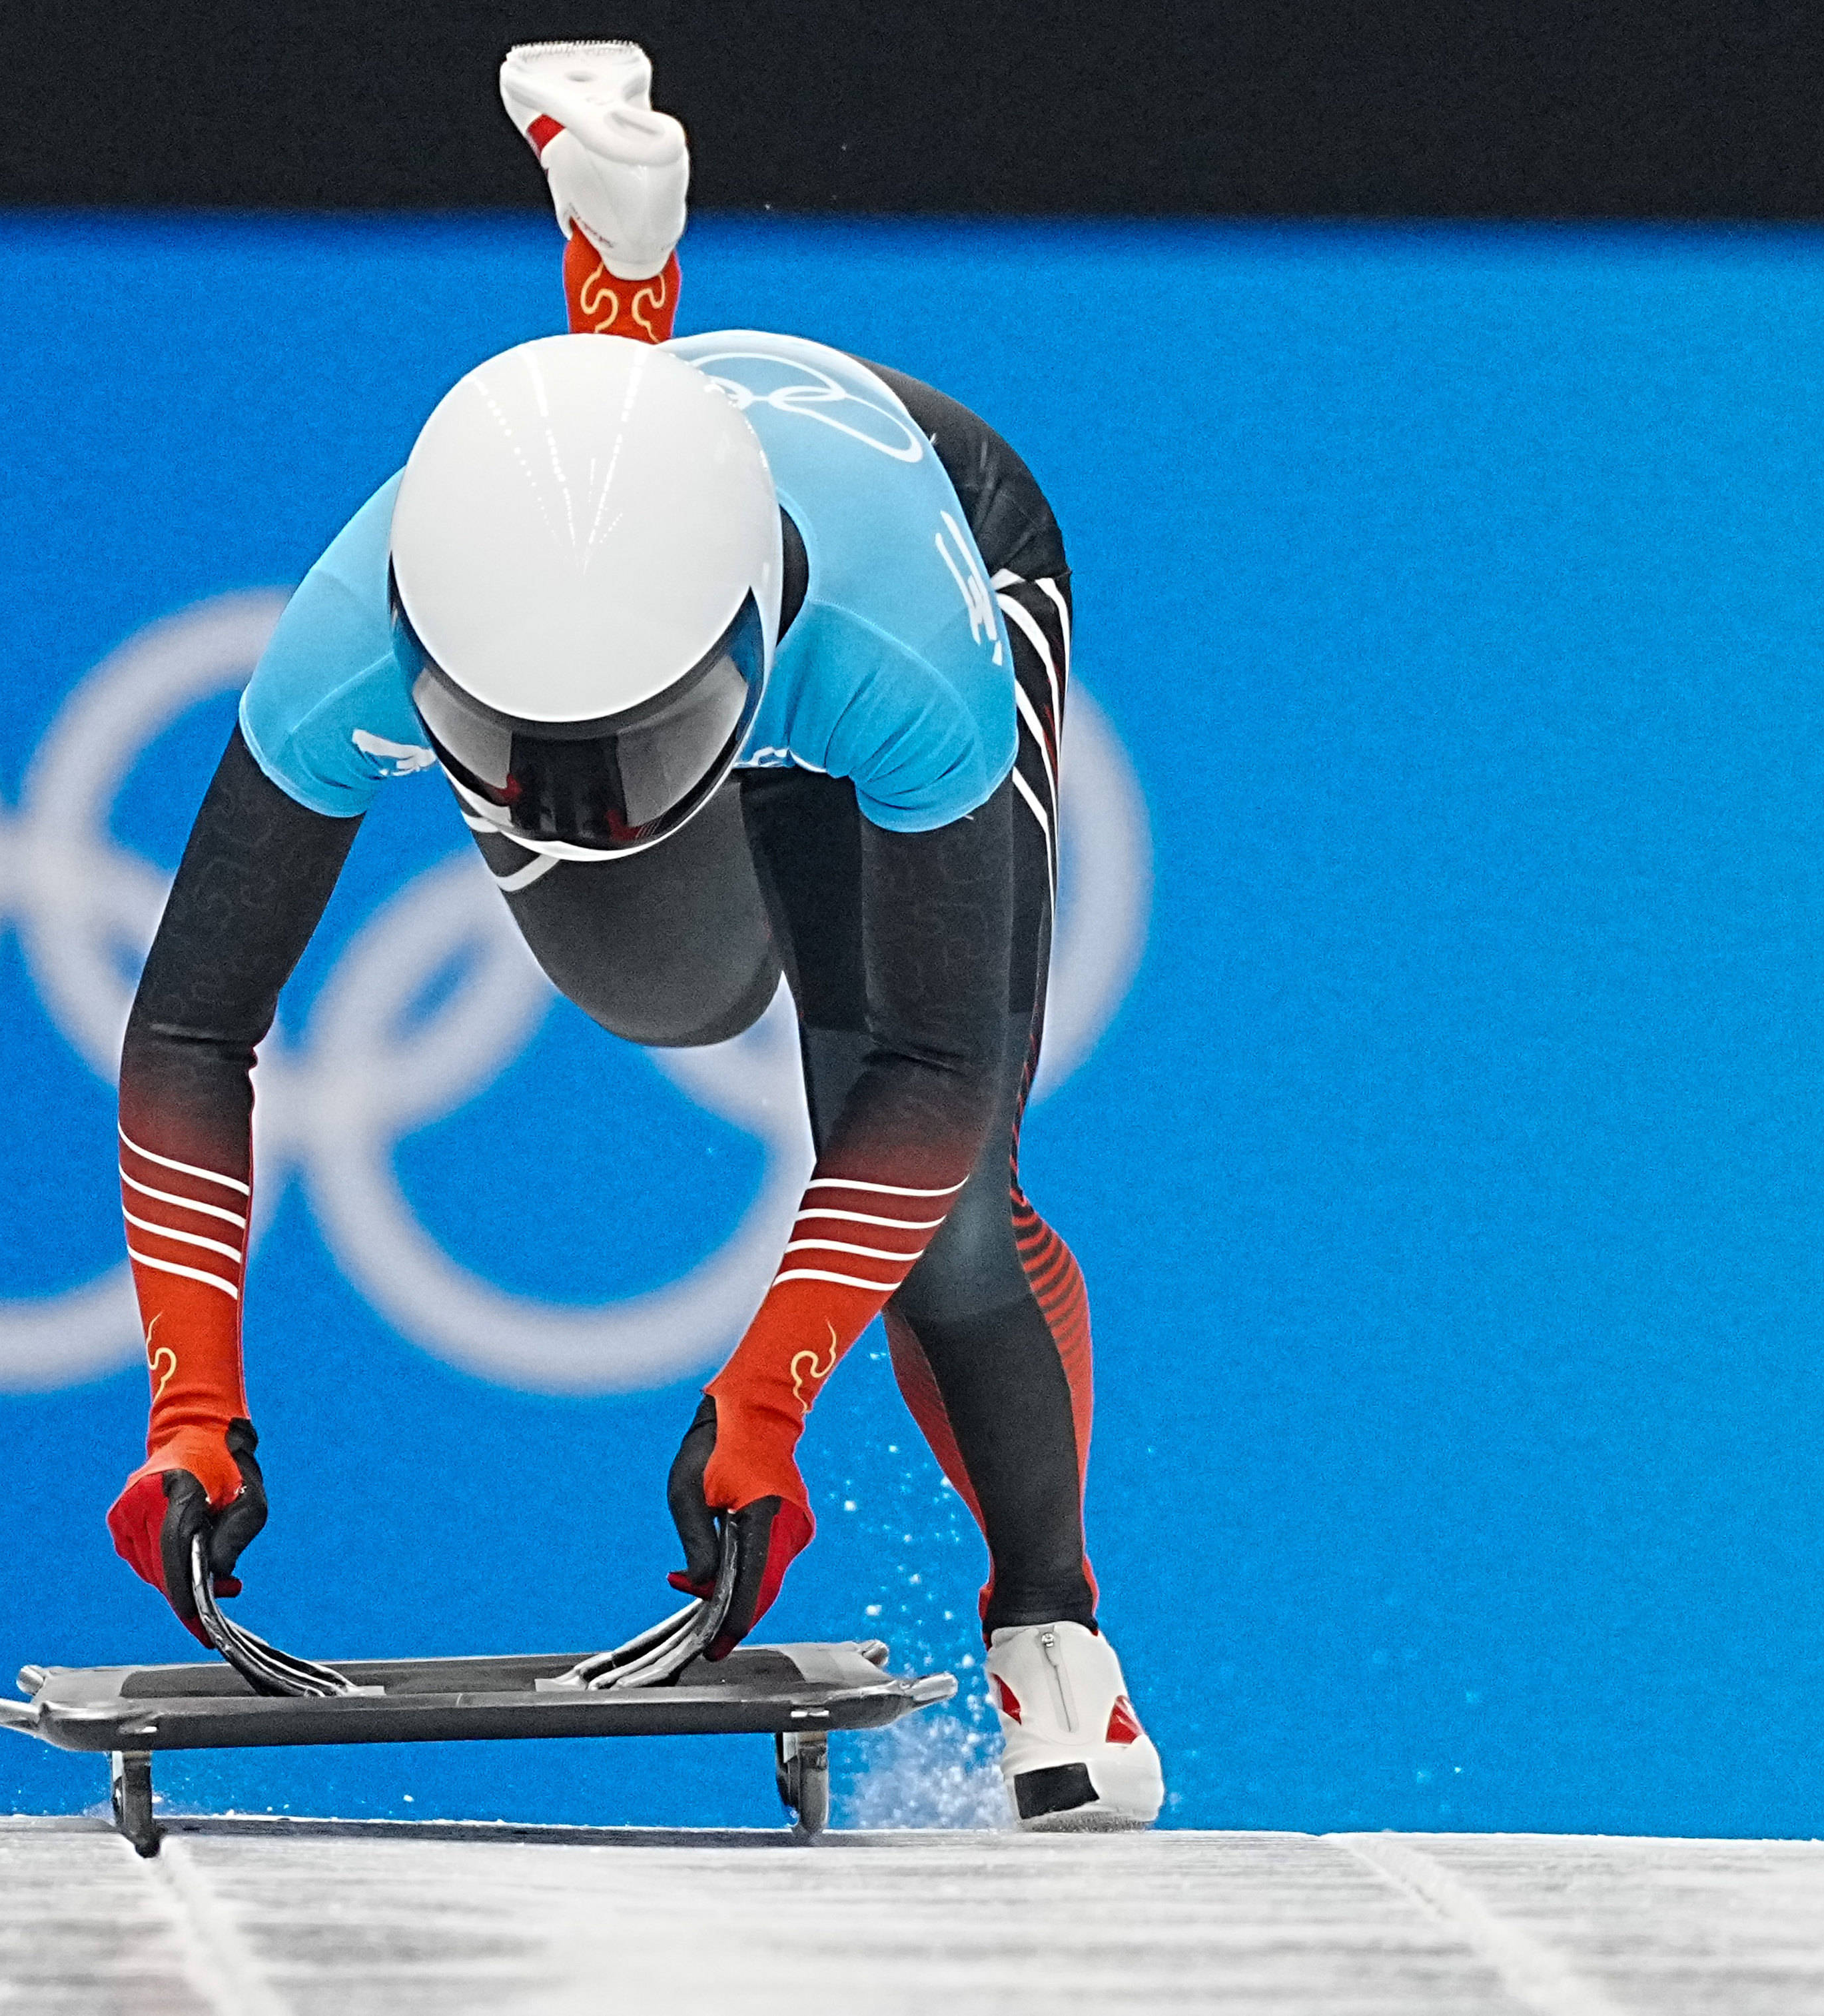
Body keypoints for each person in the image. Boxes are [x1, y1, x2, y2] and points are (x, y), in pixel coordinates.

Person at [103, 41, 1162, 1829]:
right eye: (519, 757)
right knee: (671, 987)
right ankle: (621, 292)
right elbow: (190, 1033)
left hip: (929, 541)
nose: (588, 806)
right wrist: (189, 1404)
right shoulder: (359, 623)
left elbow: (932, 1071)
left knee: (948, 1213)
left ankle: (1053, 1630)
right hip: (685, 589)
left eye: (634, 758)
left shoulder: (913, 662)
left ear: (737, 651)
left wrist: (770, 1394)